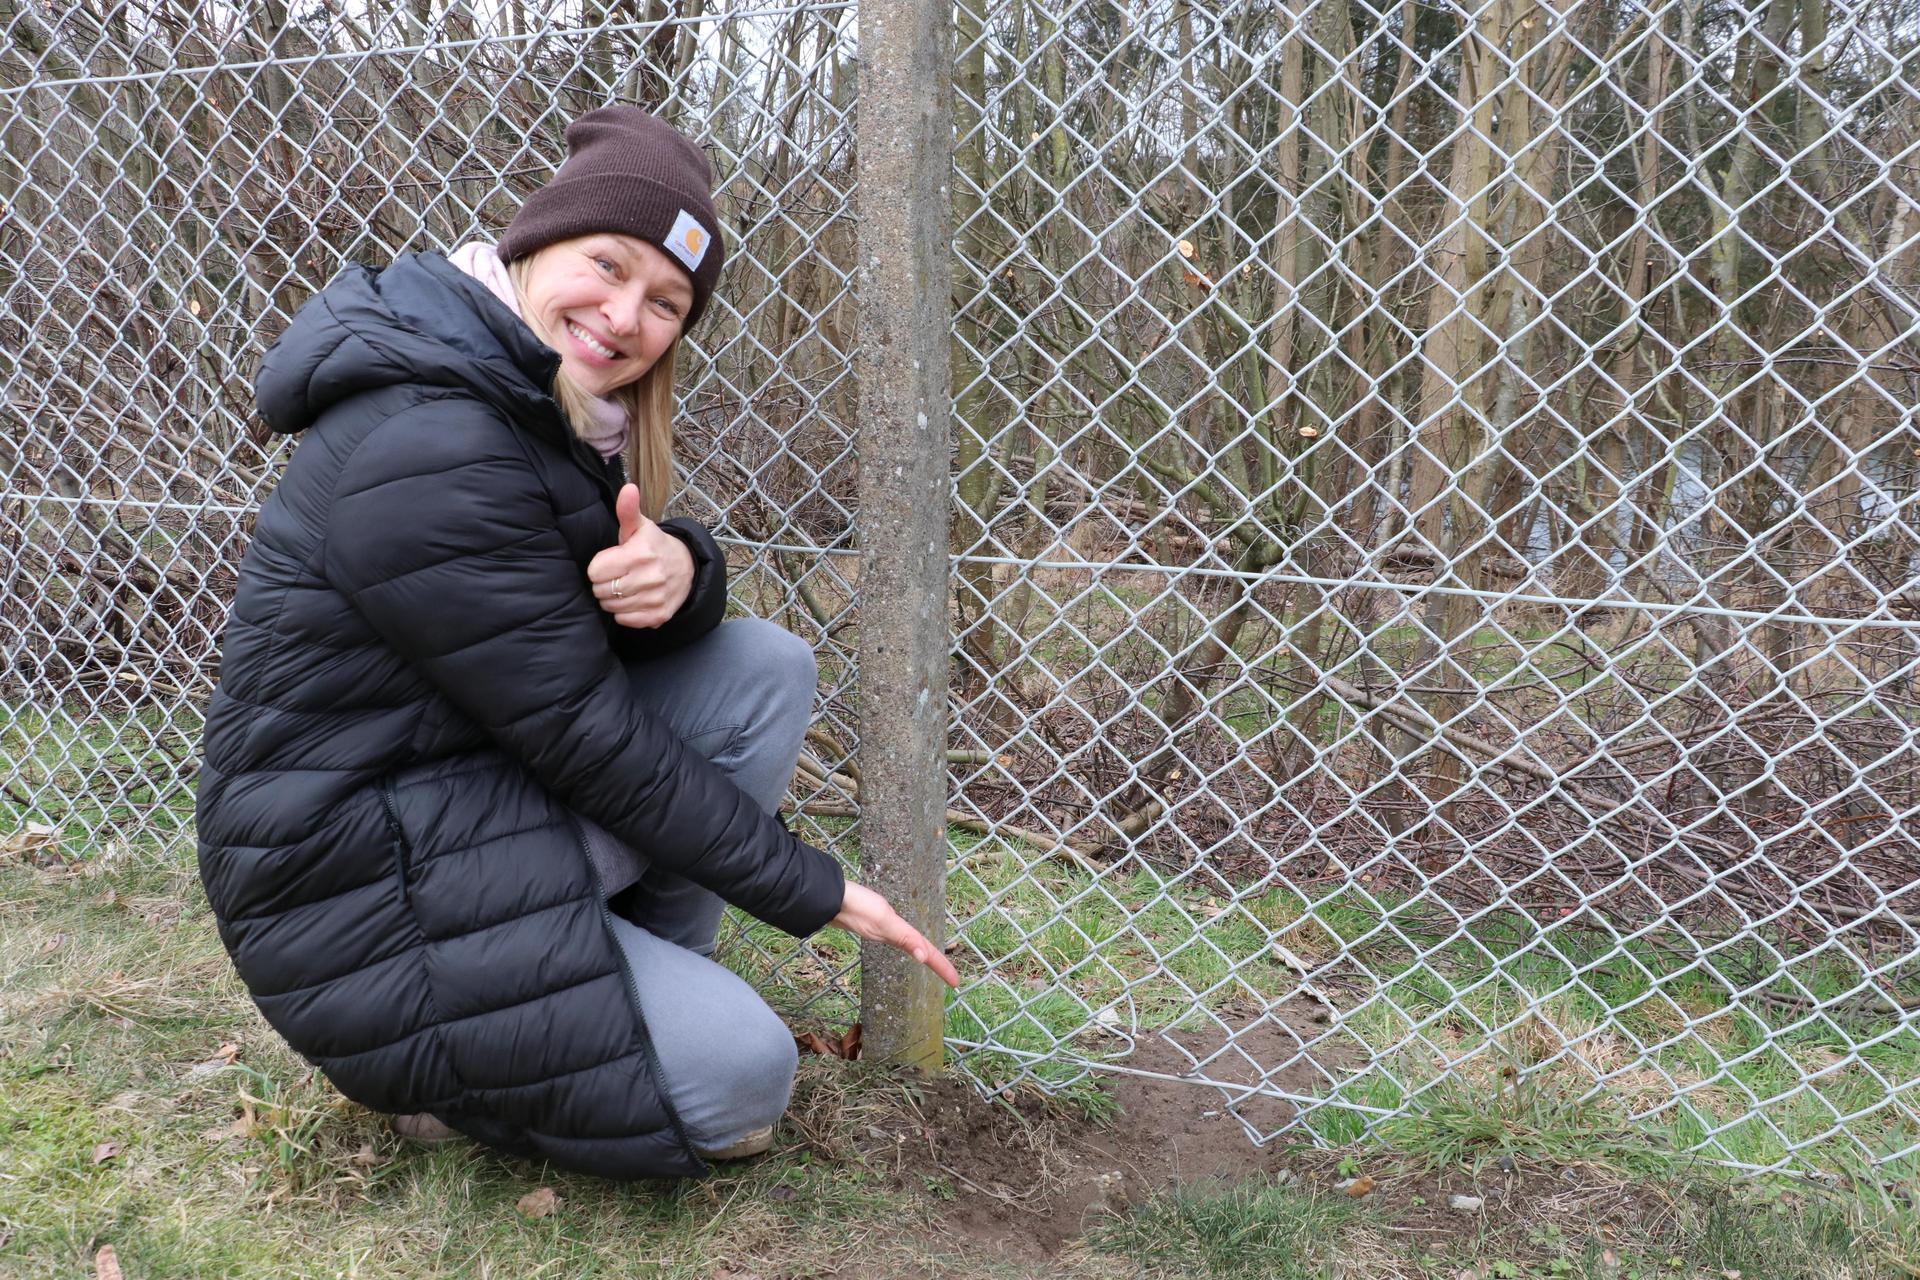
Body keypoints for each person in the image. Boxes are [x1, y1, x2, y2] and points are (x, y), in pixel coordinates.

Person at [193, 104, 959, 1181]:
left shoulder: (538, 407)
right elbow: (584, 733)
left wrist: (685, 571)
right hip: (355, 888)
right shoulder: (432, 437)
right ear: (530, 243)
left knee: (761, 666)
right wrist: (813, 888)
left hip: (466, 802)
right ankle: (446, 1082)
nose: (624, 315)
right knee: (742, 1080)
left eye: (666, 302)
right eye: (607, 263)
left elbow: (578, 628)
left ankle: (635, 980)